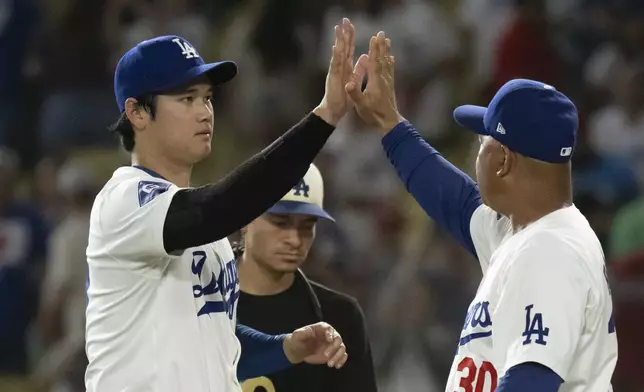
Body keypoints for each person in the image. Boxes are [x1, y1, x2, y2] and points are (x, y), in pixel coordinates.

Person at [85, 18, 361, 391]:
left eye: (207, 97)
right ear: (137, 113)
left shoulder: (206, 233)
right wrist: (324, 116)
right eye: (186, 98)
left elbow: (216, 341)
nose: (205, 112)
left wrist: (285, 348)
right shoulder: (125, 201)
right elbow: (220, 207)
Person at [345, 32, 617, 391]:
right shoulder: (526, 232)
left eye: (482, 142)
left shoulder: (550, 251)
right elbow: (457, 203)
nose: (477, 154)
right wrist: (389, 123)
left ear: (503, 159)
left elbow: (529, 381)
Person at [235, 163, 378, 392]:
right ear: (245, 219)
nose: (295, 239)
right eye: (281, 223)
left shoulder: (339, 317)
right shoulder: (201, 301)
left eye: (306, 226)